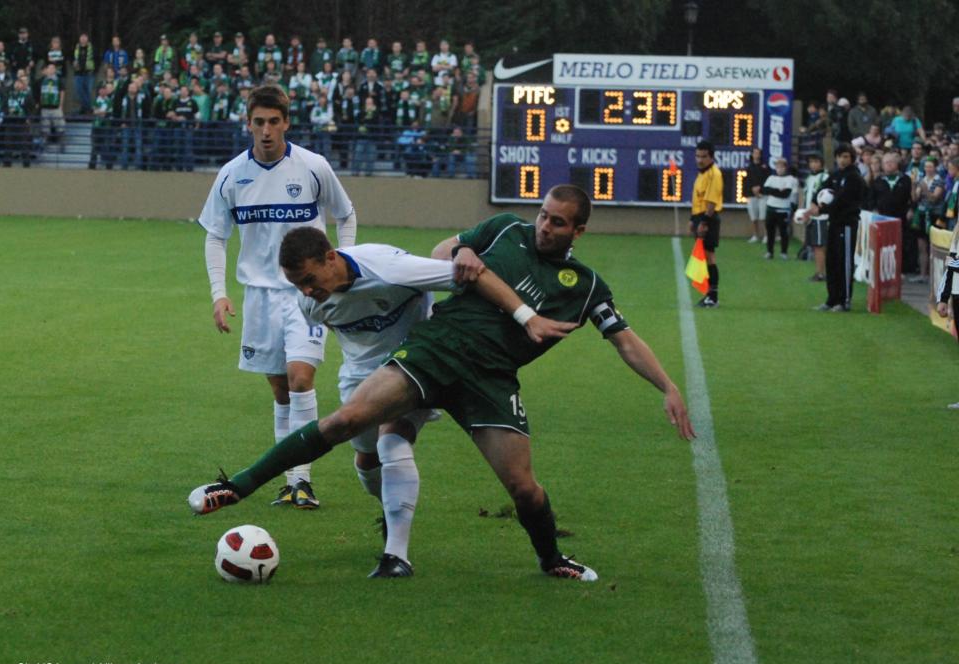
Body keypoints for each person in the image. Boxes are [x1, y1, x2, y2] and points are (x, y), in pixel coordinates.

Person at [189, 184, 696, 582]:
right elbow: (446, 250)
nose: (544, 226)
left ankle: (551, 559)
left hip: (492, 377)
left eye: (557, 222)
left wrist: (669, 386)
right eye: (542, 215)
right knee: (350, 421)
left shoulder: (585, 287)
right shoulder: (504, 231)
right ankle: (237, 486)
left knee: (522, 485)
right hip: (437, 348)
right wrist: (460, 254)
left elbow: (625, 339)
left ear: (578, 231)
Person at [276, 227, 524, 576]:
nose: (305, 290)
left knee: (392, 441)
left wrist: (524, 314)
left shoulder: (390, 268)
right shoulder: (309, 302)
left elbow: (469, 276)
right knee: (366, 459)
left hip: (416, 365)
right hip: (359, 380)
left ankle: (396, 555)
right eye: (296, 283)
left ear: (330, 257)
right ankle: (393, 513)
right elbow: (337, 326)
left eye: (309, 279)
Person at [199, 85, 357, 509]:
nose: (266, 130)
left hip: (306, 293)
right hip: (259, 297)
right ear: (248, 123)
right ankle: (290, 481)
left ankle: (302, 481)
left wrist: (342, 266)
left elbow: (345, 214)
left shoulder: (313, 166)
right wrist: (219, 293)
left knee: (301, 377)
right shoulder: (232, 174)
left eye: (274, 122)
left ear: (287, 122)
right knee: (280, 390)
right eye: (259, 122)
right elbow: (216, 235)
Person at [805, 144, 865, 312]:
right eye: (839, 156)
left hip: (847, 224)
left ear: (851, 158)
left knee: (844, 263)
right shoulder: (835, 175)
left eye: (846, 156)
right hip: (834, 223)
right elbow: (822, 189)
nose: (842, 160)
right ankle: (831, 299)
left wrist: (821, 209)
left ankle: (844, 300)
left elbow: (842, 200)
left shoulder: (854, 177)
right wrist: (814, 204)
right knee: (831, 261)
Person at [689, 140, 723, 307]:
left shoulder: (714, 174)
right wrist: (692, 219)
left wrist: (704, 222)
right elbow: (698, 199)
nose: (699, 160)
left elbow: (711, 203)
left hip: (707, 218)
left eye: (703, 156)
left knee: (709, 257)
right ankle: (708, 294)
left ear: (711, 157)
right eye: (697, 156)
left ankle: (713, 296)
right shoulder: (702, 173)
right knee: (704, 256)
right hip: (699, 216)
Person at [935, 225, 959, 409]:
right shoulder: (956, 236)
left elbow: (953, 264)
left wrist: (953, 261)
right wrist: (944, 298)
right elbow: (951, 268)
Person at [760, 157, 798, 260]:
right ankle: (769, 252)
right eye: (777, 166)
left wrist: (773, 191)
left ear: (785, 168)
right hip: (771, 208)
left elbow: (785, 194)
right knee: (770, 232)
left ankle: (784, 252)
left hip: (783, 209)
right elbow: (764, 190)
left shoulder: (790, 179)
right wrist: (777, 190)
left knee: (783, 232)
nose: (779, 169)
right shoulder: (771, 178)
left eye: (781, 167)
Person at [801, 154, 829, 281]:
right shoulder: (809, 178)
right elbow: (807, 196)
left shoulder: (825, 177)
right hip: (812, 215)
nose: (813, 164)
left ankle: (820, 273)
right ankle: (820, 272)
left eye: (816, 161)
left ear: (821, 163)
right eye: (811, 161)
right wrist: (804, 212)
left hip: (821, 216)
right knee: (816, 245)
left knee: (820, 246)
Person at [745, 147, 770, 243]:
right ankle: (755, 235)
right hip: (751, 196)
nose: (757, 155)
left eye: (758, 153)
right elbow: (747, 182)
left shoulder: (765, 167)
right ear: (752, 155)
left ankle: (766, 236)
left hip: (763, 195)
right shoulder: (749, 167)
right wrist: (753, 189)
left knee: (763, 217)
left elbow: (768, 181)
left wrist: (760, 189)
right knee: (753, 217)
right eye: (755, 153)